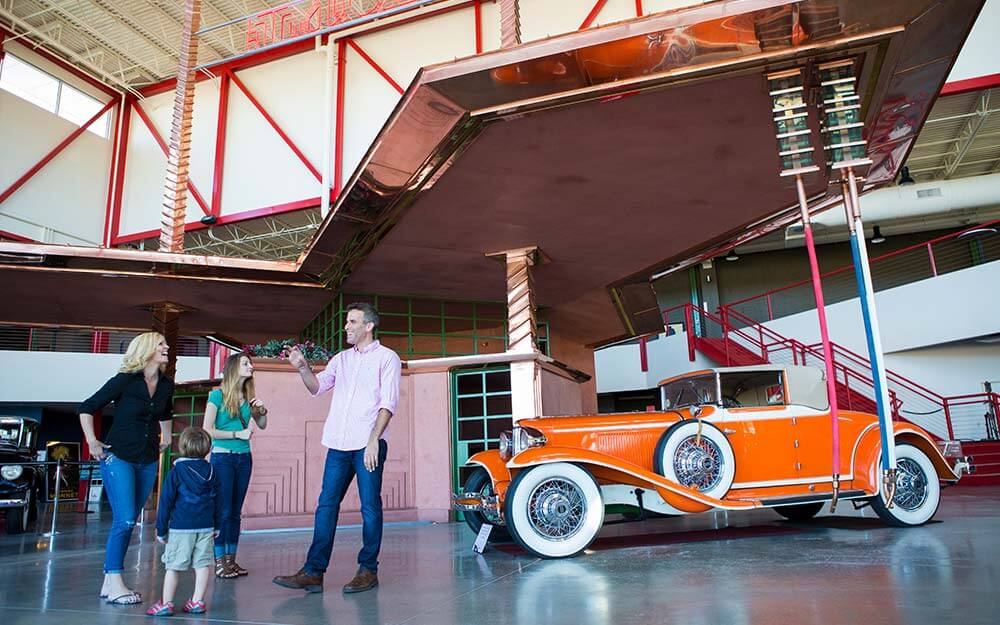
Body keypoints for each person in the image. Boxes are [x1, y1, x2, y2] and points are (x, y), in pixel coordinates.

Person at [273, 302, 401, 594]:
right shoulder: (341, 359)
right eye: (347, 322)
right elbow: (317, 388)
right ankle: (313, 572)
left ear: (369, 326)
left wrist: (373, 441)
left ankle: (368, 570)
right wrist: (303, 367)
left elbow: (388, 403)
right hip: (338, 445)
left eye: (353, 322)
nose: (347, 327)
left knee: (370, 508)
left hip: (368, 445)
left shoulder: (387, 358)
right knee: (326, 506)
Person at [79, 331, 174, 606]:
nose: (166, 347)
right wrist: (92, 441)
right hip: (118, 456)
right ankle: (116, 581)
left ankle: (110, 583)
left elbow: (165, 413)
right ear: (146, 349)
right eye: (161, 344)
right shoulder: (126, 380)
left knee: (129, 518)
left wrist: (166, 438)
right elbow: (87, 407)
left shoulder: (166, 384)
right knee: (125, 520)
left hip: (147, 459)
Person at [201, 352, 267, 578]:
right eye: (246, 363)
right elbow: (207, 429)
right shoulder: (216, 396)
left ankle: (232, 561)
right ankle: (219, 561)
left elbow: (262, 425)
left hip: (244, 458)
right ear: (233, 369)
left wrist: (260, 412)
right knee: (224, 510)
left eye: (250, 363)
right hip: (223, 457)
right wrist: (237, 434)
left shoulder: (249, 398)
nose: (251, 366)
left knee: (236, 512)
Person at [146, 427, 223, 616]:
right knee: (202, 564)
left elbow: (165, 502)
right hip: (206, 526)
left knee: (173, 566)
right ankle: (197, 601)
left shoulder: (177, 471)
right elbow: (220, 501)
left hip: (181, 527)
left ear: (183, 446)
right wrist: (217, 525)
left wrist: (161, 528)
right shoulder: (213, 471)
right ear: (207, 447)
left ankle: (166, 603)